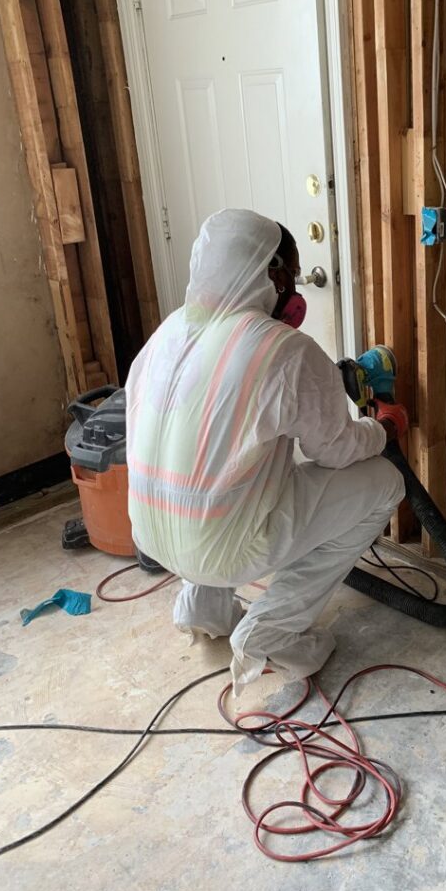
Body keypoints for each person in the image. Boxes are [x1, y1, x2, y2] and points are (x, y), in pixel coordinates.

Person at [125, 208, 407, 692]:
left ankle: (202, 610)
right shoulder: (283, 348)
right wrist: (382, 428)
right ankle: (271, 633)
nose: (293, 290)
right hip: (222, 547)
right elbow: (337, 451)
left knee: (222, 474)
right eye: (291, 274)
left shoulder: (165, 335)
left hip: (150, 533)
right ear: (270, 273)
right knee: (385, 483)